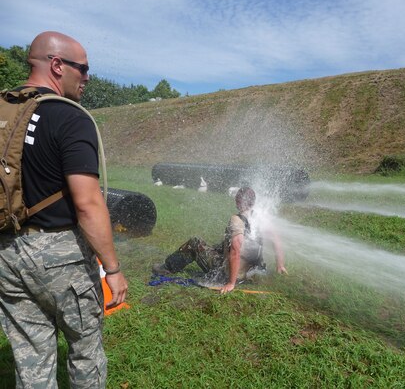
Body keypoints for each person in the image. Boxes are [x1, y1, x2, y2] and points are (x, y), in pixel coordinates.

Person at [0, 31, 128, 388]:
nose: (87, 77)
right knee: (85, 350)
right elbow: (87, 203)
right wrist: (113, 269)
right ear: (57, 65)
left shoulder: (5, 112)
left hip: (6, 251)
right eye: (83, 69)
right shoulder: (70, 117)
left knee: (32, 357)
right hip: (60, 256)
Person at [152, 187, 287, 293]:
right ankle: (236, 275)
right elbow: (277, 241)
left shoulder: (237, 220)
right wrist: (280, 265)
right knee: (220, 245)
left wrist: (231, 283)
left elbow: (235, 250)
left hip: (231, 275)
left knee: (195, 242)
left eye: (237, 200)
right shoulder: (261, 218)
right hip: (252, 272)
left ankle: (167, 268)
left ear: (240, 201)